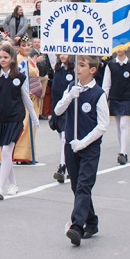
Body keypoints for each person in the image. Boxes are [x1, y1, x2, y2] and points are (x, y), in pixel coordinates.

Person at [53, 55, 108, 246]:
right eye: (77, 64)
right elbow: (58, 111)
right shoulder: (71, 88)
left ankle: (77, 225)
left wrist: (83, 143)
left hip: (89, 147)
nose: (78, 68)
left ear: (92, 70)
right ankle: (91, 221)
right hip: (71, 145)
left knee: (84, 185)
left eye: (82, 65)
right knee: (76, 186)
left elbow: (103, 125)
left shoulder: (98, 94)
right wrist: (69, 96)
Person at [0, 44, 38, 199]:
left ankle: (0, 186)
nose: (3, 60)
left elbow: (26, 98)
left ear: (12, 59)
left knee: (6, 151)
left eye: (6, 57)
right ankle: (14, 184)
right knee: (6, 153)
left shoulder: (19, 77)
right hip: (0, 119)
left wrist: (34, 117)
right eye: (0, 57)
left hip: (15, 118)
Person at [102, 45, 130, 166]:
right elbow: (106, 85)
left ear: (126, 48)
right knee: (118, 125)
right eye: (117, 47)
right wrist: (103, 100)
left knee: (124, 124)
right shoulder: (110, 65)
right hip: (115, 97)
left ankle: (123, 152)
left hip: (127, 98)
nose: (119, 50)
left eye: (122, 47)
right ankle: (122, 149)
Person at [49, 54, 75, 183]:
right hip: (57, 107)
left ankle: (62, 167)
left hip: (68, 109)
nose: (63, 56)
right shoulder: (57, 68)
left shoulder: (74, 69)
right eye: (61, 53)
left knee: (65, 138)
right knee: (63, 140)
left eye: (66, 53)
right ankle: (70, 166)